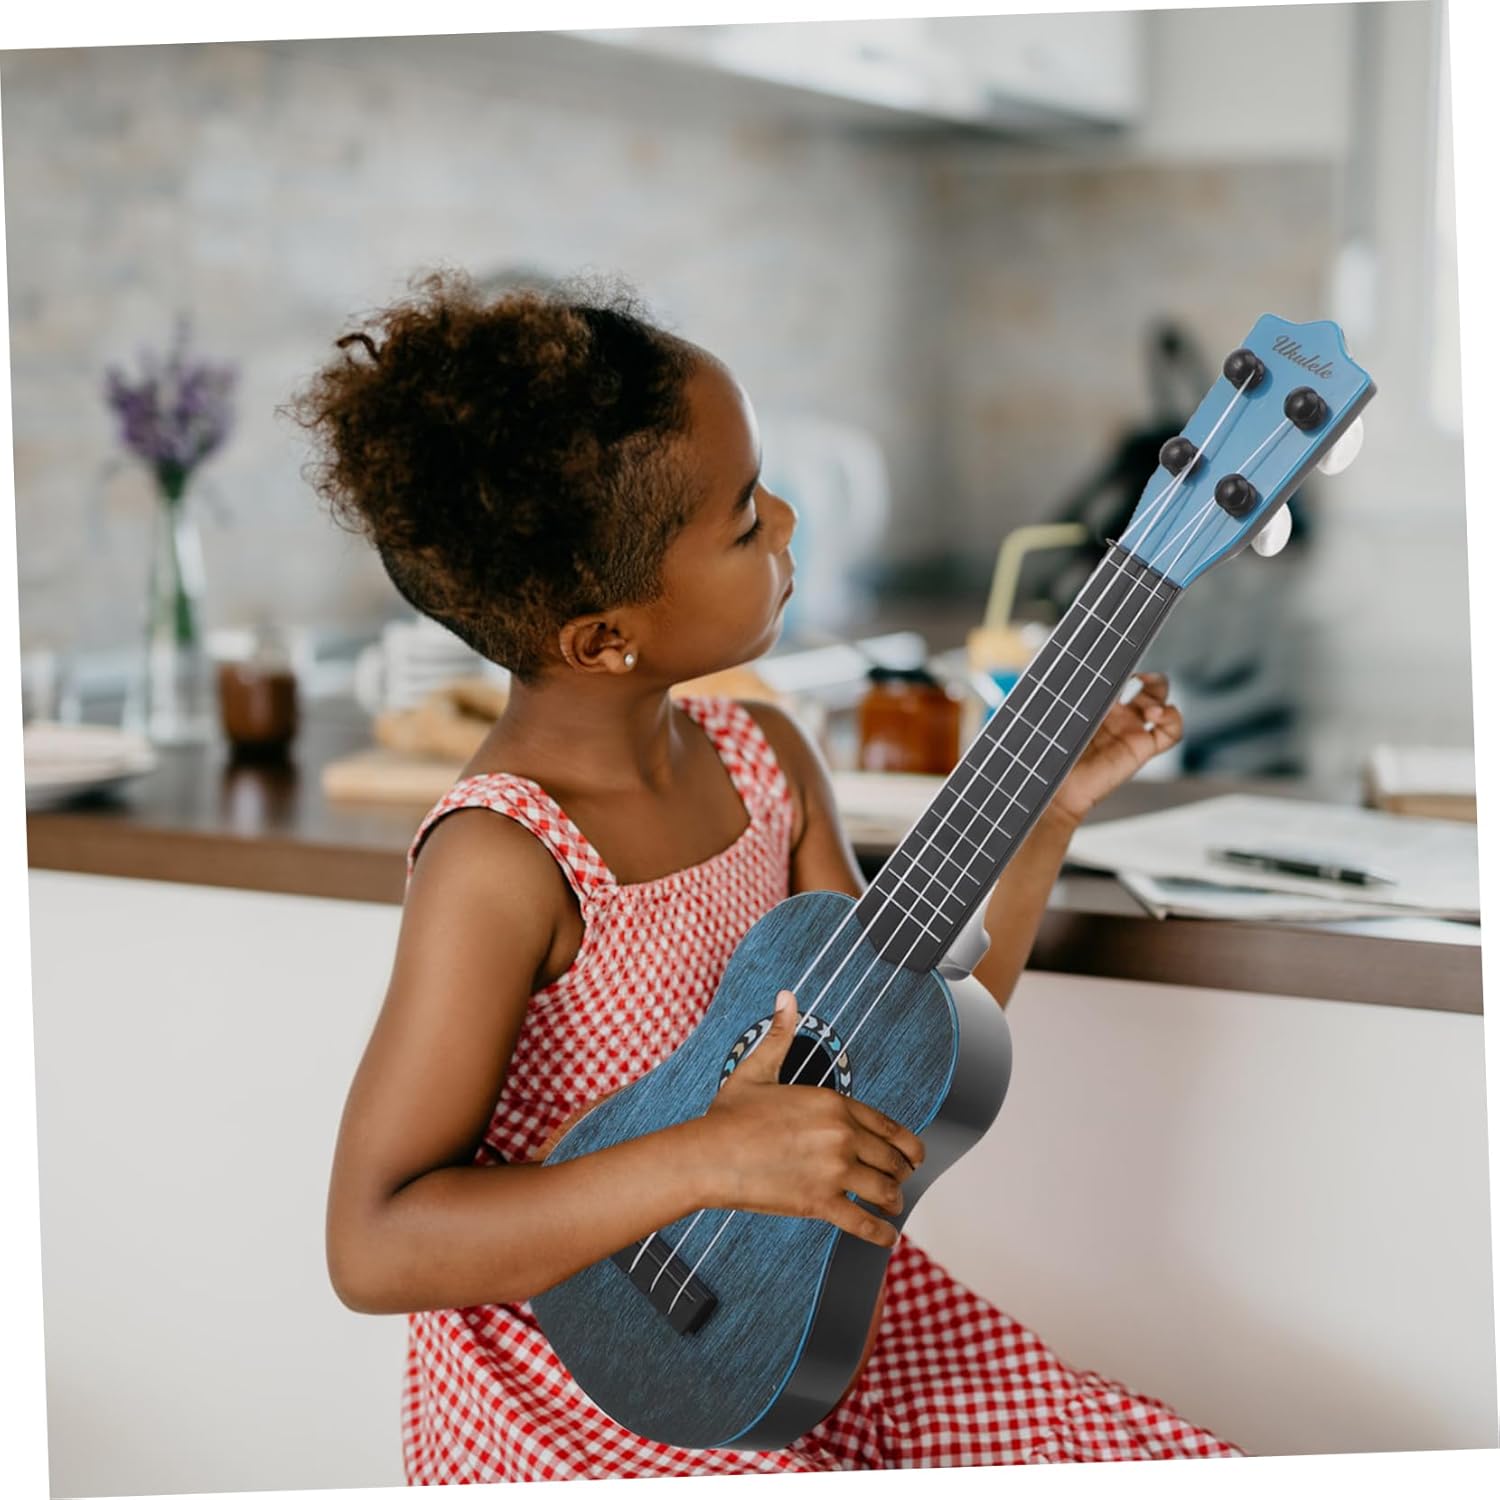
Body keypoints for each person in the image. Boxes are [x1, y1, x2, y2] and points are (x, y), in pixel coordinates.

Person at [288, 269, 1240, 1482]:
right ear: (604, 635)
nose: (786, 519)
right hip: (574, 1398)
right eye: (743, 520)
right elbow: (373, 1245)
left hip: (804, 1314)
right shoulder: (503, 859)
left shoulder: (766, 758)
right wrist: (711, 1158)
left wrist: (1045, 816)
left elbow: (909, 1046)